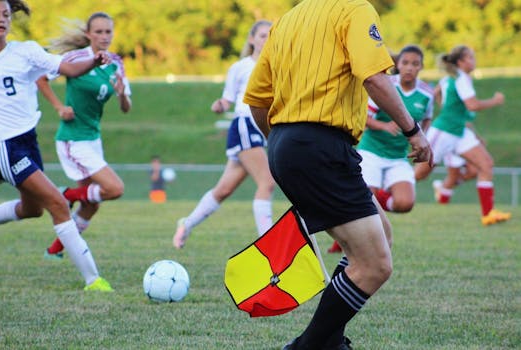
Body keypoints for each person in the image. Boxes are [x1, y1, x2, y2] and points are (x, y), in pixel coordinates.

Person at [243, 1, 432, 349]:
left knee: (380, 239)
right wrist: (413, 131)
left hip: (288, 143)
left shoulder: (287, 19)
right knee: (374, 265)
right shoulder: (355, 9)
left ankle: (329, 341)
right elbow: (374, 78)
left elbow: (257, 99)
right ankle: (307, 346)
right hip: (321, 145)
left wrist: (284, 145)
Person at [0, 0, 112, 291]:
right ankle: (93, 280)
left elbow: (68, 70)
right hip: (4, 145)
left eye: (5, 14)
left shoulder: (26, 51)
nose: (1, 19)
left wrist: (93, 61)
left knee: (31, 209)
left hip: (27, 142)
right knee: (58, 204)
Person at [36, 12, 132, 259]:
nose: (104, 36)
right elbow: (41, 78)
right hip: (72, 139)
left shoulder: (116, 63)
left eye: (108, 31)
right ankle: (65, 195)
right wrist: (59, 107)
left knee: (91, 205)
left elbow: (126, 107)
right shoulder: (76, 57)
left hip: (93, 139)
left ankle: (54, 251)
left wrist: (122, 95)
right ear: (89, 34)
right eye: (98, 32)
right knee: (114, 188)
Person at [173, 20, 276, 249]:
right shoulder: (240, 67)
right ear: (251, 39)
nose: (267, 40)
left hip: (263, 128)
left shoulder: (279, 65)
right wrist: (220, 104)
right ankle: (269, 245)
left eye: (271, 35)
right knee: (267, 182)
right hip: (245, 124)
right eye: (262, 35)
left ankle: (187, 223)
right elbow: (228, 99)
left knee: (224, 190)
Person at [327, 45, 434, 254]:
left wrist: (422, 138)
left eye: (415, 64)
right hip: (371, 152)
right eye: (405, 63)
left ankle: (375, 197)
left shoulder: (426, 94)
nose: (409, 68)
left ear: (421, 67)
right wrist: (385, 126)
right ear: (398, 65)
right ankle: (344, 241)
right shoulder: (386, 86)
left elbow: (427, 117)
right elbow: (363, 117)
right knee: (365, 202)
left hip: (398, 157)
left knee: (405, 203)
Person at [414, 45, 511, 226]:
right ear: (460, 62)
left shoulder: (452, 78)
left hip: (459, 131)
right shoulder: (460, 79)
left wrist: (447, 106)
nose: (473, 61)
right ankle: (381, 196)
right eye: (470, 58)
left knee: (485, 164)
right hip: (444, 131)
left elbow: (436, 94)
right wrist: (495, 100)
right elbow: (472, 105)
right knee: (419, 174)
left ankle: (488, 214)